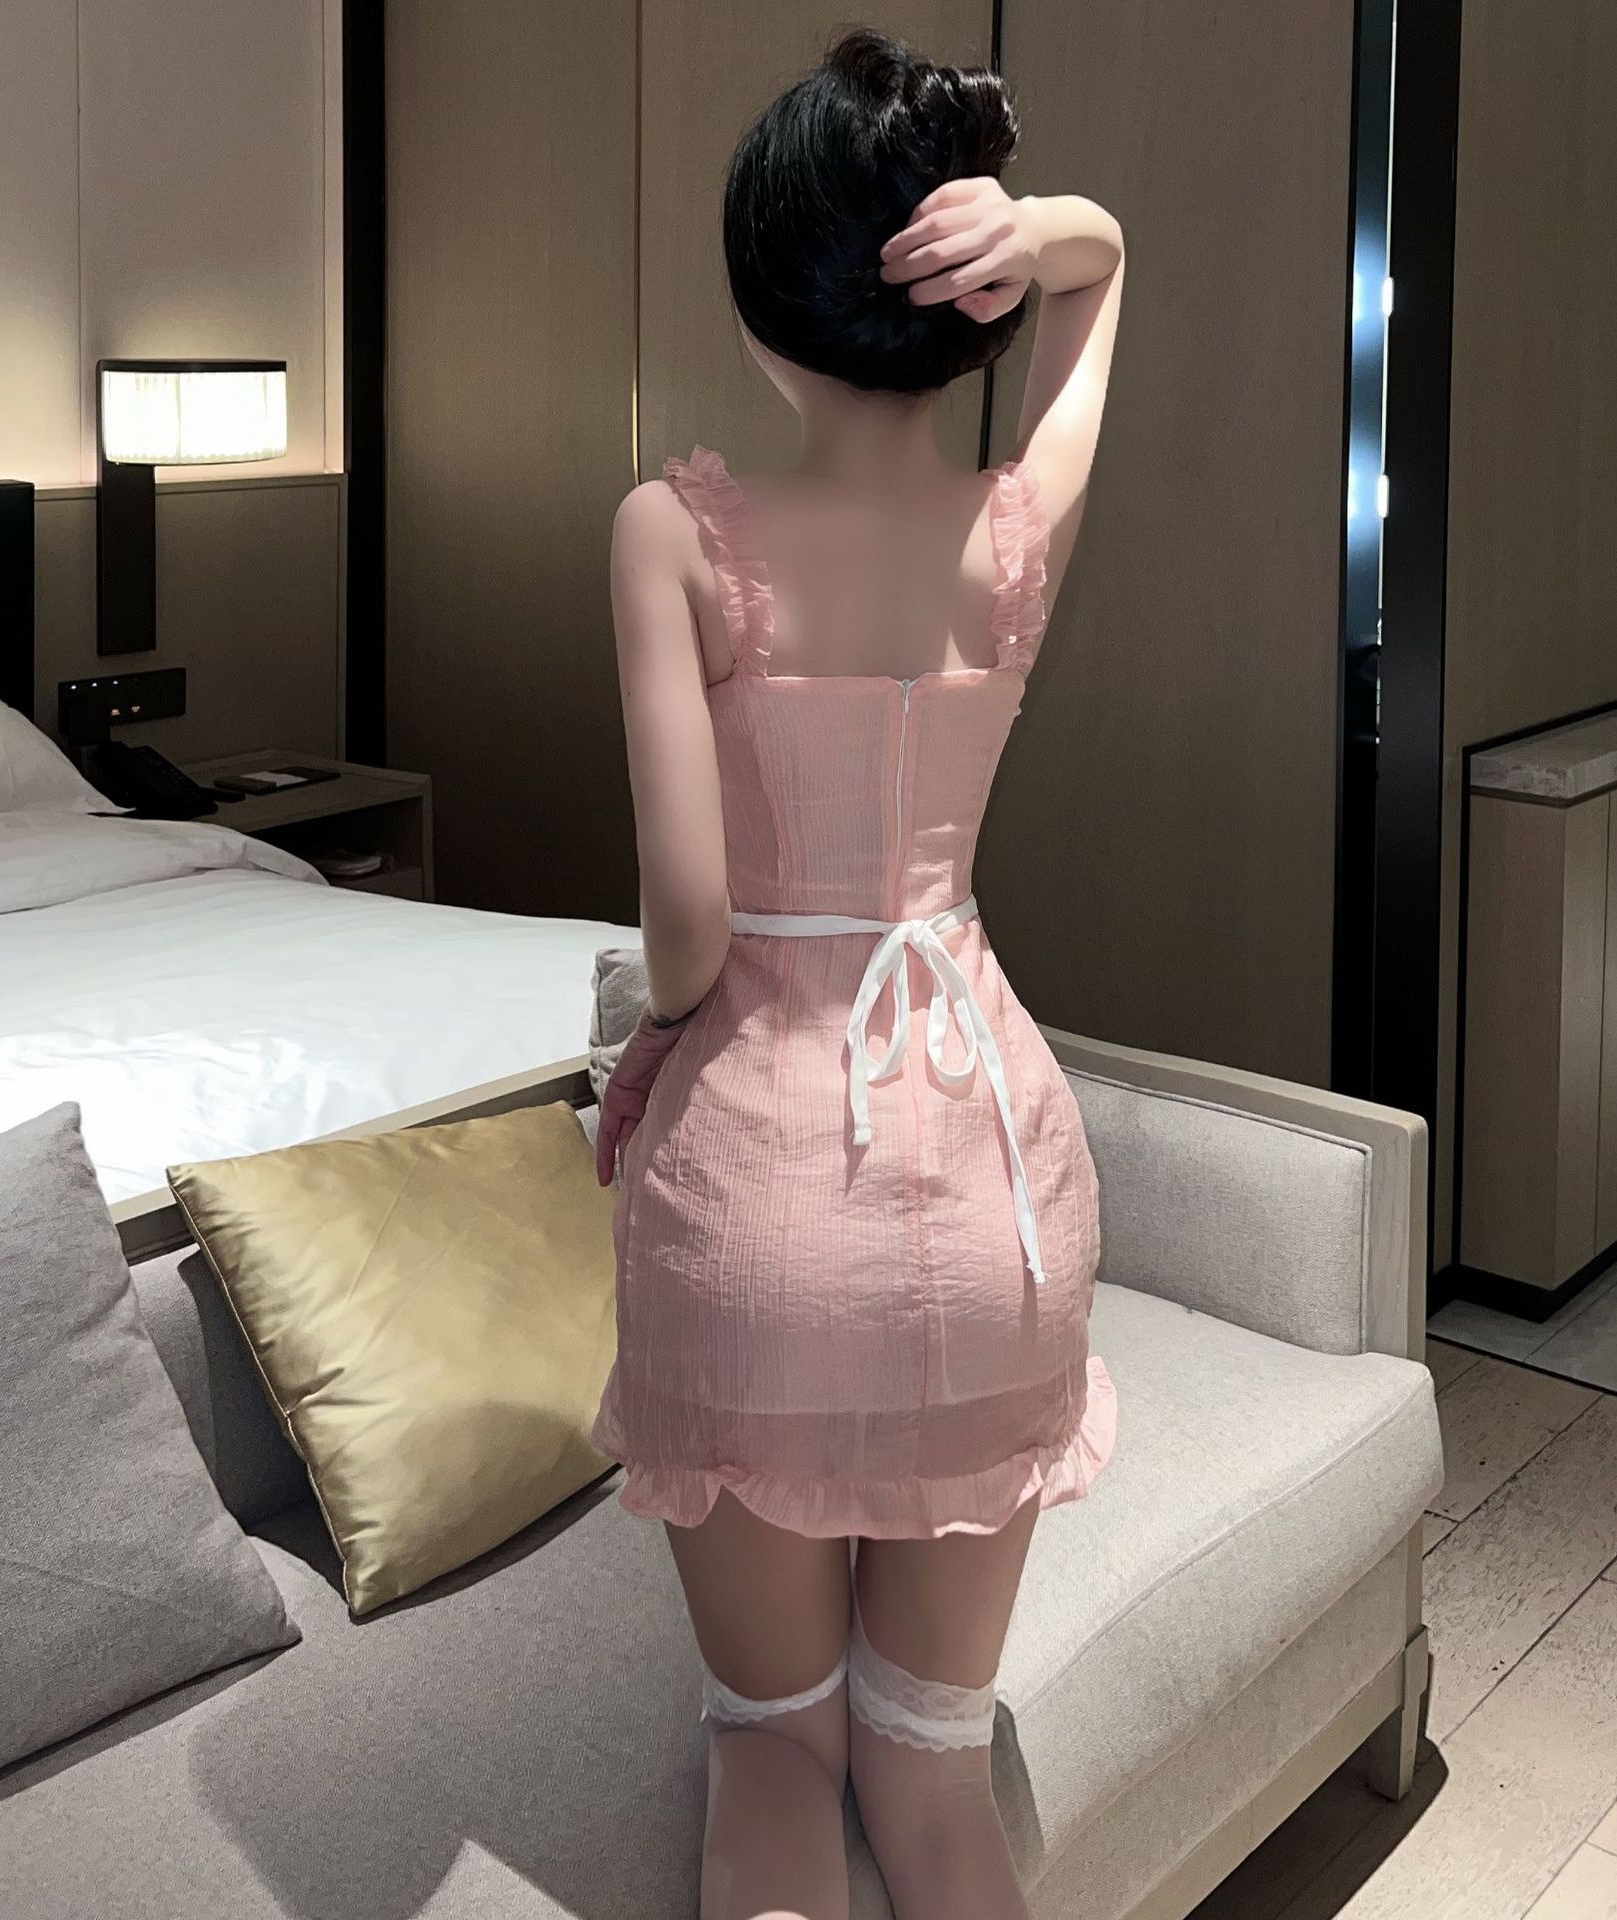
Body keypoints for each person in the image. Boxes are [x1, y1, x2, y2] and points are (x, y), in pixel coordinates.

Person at [591, 25, 1125, 1919]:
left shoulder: (675, 535)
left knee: (775, 1757)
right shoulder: (1012, 532)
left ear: (763, 315)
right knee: (934, 1779)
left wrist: (648, 1045)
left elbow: (689, 930)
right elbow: (1105, 276)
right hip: (995, 1198)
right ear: (964, 307)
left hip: (760, 1201)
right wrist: (1051, 236)